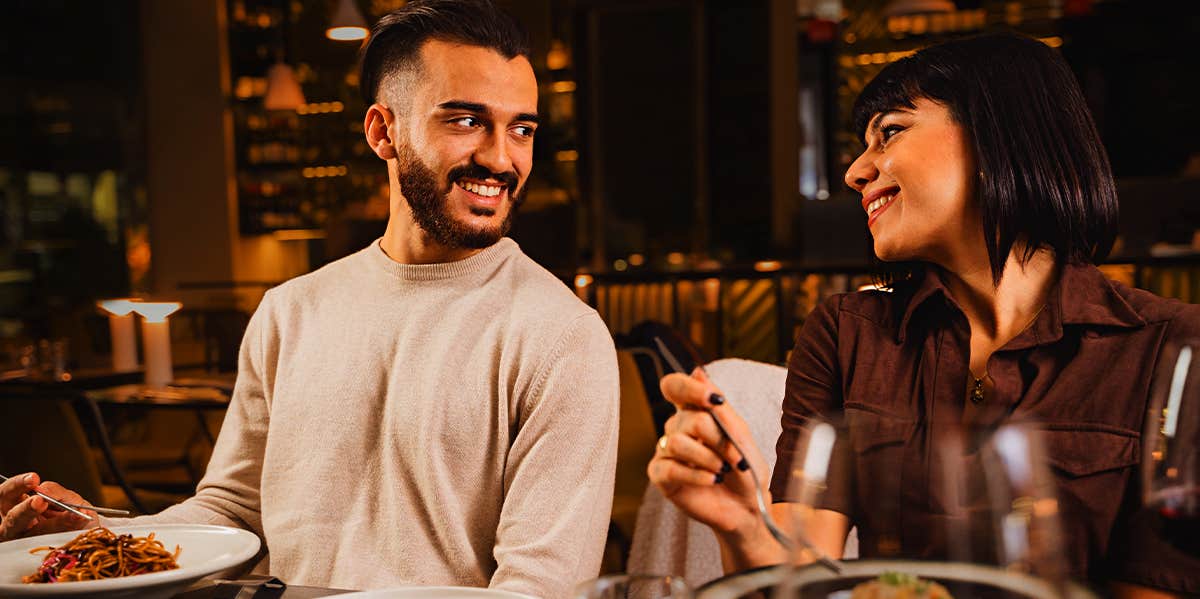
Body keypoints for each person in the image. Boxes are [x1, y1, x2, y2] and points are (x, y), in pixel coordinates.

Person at [0, 1, 620, 596]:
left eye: (522, 129)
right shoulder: (289, 311)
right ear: (383, 131)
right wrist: (102, 537)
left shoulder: (561, 335)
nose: (500, 157)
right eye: (465, 121)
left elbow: (541, 589)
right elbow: (232, 512)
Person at [648, 32, 1200, 597]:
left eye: (888, 133)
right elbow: (800, 578)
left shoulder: (1171, 347)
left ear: (996, 137)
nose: (855, 172)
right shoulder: (846, 334)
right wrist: (744, 526)